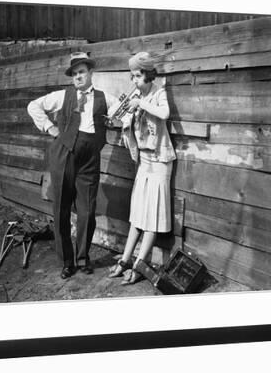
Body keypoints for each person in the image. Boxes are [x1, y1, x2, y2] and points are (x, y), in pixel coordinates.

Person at [27, 52, 118, 279]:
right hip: (64, 154)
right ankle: (67, 261)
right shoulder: (62, 96)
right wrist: (50, 128)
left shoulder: (104, 97)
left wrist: (120, 120)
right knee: (62, 209)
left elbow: (122, 115)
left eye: (82, 72)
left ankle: (82, 258)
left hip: (89, 159)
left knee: (87, 210)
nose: (78, 76)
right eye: (75, 73)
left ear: (90, 73)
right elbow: (33, 106)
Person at [108, 52, 176, 285]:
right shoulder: (137, 93)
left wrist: (141, 104)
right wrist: (126, 113)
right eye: (132, 76)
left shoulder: (158, 92)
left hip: (159, 161)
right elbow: (126, 123)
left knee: (152, 218)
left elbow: (165, 114)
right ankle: (125, 259)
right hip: (144, 161)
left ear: (148, 75)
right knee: (138, 214)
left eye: (137, 76)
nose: (134, 80)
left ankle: (139, 264)